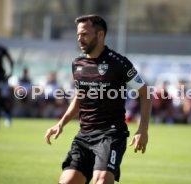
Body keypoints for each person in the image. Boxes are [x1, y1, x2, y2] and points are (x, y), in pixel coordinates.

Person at [44, 15, 152, 184]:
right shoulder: (77, 64)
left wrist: (142, 129)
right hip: (84, 135)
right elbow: (80, 97)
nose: (80, 39)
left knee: (101, 181)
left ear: (100, 35)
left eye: (85, 34)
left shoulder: (119, 63)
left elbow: (145, 94)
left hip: (111, 135)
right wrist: (61, 123)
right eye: (78, 34)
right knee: (67, 181)